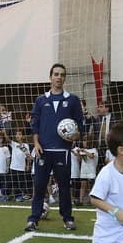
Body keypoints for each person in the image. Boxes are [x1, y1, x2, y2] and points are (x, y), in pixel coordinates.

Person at [26, 63, 86, 232]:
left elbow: (80, 125)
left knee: (64, 187)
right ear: (50, 77)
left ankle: (67, 218)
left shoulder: (72, 100)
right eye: (56, 74)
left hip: (63, 151)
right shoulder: (41, 100)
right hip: (43, 151)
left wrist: (76, 135)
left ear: (65, 78)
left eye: (62, 75)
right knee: (39, 186)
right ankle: (33, 219)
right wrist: (36, 143)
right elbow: (35, 124)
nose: (59, 77)